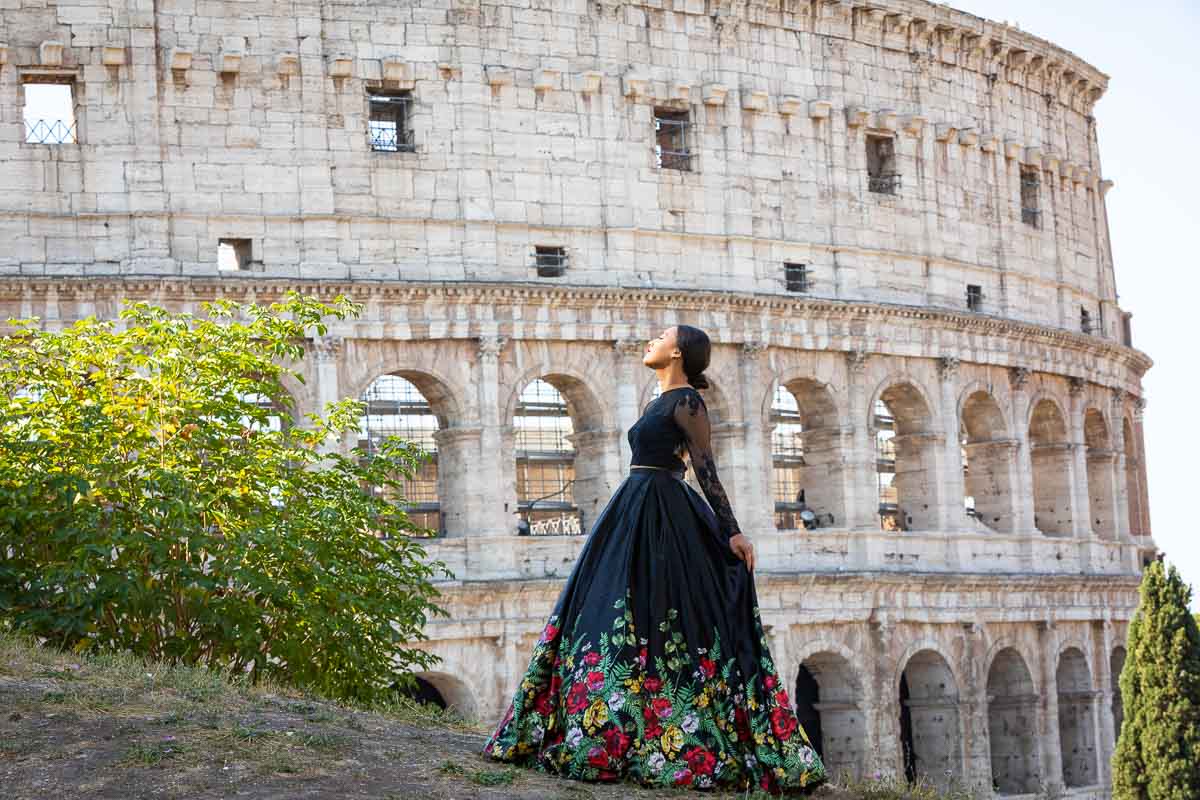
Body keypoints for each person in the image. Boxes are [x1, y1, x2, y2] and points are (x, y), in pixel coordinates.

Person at [481, 325, 828, 794]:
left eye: (660, 338)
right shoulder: (656, 400)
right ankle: (612, 731)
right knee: (608, 614)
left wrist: (733, 531)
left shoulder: (688, 403)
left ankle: (666, 736)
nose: (650, 343)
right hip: (634, 508)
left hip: (664, 514)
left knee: (662, 621)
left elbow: (705, 467)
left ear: (678, 351)